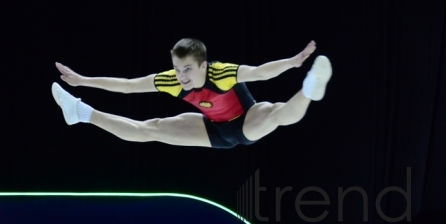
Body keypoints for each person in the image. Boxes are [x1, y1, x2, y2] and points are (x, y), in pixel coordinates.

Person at [51, 38, 332, 148]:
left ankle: (310, 88)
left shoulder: (221, 73)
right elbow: (126, 85)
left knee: (275, 113)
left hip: (245, 121)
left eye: (187, 69)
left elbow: (260, 71)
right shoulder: (172, 80)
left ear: (203, 65)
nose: (181, 76)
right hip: (213, 130)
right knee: (150, 129)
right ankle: (81, 112)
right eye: (176, 68)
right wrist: (83, 80)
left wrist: (293, 62)